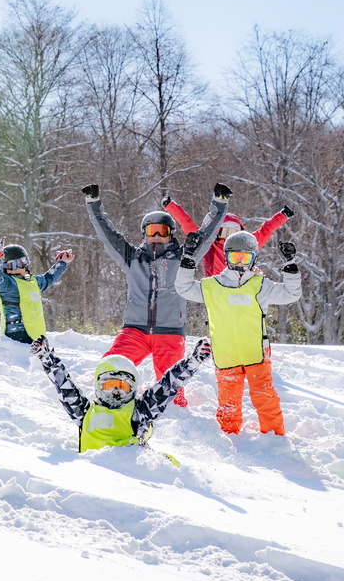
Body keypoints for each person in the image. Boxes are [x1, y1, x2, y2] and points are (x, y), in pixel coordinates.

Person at [82, 181, 230, 406]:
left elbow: (207, 234)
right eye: (153, 231)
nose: (158, 236)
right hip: (135, 331)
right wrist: (94, 205)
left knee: (171, 392)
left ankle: (176, 424)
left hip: (169, 333)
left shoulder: (184, 257)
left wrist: (219, 204)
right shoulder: (132, 258)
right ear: (144, 234)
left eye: (163, 231)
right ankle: (112, 408)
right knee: (110, 367)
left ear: (171, 234)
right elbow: (108, 235)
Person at [175, 230, 302, 435]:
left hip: (256, 354)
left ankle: (274, 436)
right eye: (236, 257)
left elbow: (291, 294)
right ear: (226, 258)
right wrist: (188, 258)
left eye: (246, 257)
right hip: (226, 354)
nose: (241, 263)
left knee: (264, 397)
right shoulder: (213, 286)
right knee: (228, 403)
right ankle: (229, 436)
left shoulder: (261, 285)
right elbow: (184, 288)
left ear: (254, 259)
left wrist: (290, 266)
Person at [30, 334, 212, 452]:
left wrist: (193, 362)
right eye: (110, 385)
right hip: (89, 474)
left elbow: (167, 386)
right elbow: (63, 385)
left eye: (122, 386)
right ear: (98, 387)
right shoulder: (84, 412)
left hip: (130, 477)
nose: (116, 392)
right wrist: (46, 358)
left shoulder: (139, 412)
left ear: (132, 389)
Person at [162, 194, 294, 276]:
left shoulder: (246, 245)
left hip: (240, 288)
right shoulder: (209, 245)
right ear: (217, 232)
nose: (227, 239)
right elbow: (187, 223)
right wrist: (170, 206)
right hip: (216, 288)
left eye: (232, 234)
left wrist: (282, 215)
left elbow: (265, 231)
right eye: (224, 232)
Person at [0, 234, 73, 343]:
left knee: (45, 359)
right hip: (16, 333)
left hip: (35, 334)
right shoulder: (7, 284)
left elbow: (49, 278)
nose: (18, 268)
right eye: (12, 265)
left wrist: (62, 263)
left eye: (22, 263)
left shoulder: (33, 282)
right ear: (4, 268)